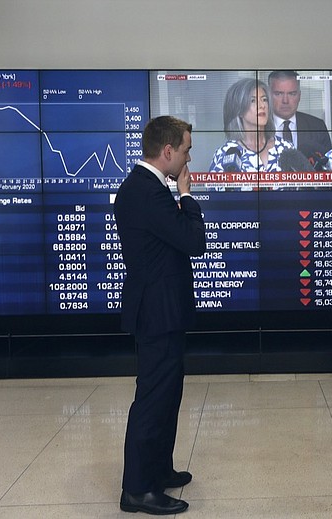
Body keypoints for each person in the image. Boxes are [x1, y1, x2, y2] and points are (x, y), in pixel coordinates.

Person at [114, 115, 206, 515]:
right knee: (153, 400)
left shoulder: (148, 188)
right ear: (167, 151)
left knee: (168, 396)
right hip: (156, 313)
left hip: (164, 311)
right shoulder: (146, 192)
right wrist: (186, 196)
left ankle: (159, 470)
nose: (189, 157)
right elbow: (192, 241)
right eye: (186, 149)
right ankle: (137, 489)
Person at [208, 78, 295, 179]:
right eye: (253, 101)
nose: (262, 106)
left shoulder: (286, 148)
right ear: (239, 110)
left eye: (264, 99)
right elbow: (217, 193)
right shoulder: (225, 153)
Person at [268, 70, 332, 160]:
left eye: (291, 94)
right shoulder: (257, 127)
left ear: (299, 96)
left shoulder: (317, 126)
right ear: (268, 95)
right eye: (278, 94)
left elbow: (329, 167)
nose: (285, 101)